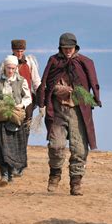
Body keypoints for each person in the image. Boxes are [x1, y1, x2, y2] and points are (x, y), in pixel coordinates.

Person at [36, 32, 101, 196]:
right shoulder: (54, 61)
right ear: (61, 48)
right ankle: (55, 174)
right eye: (65, 48)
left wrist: (93, 98)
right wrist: (60, 91)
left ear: (75, 47)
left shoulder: (84, 62)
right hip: (58, 110)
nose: (68, 51)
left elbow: (92, 82)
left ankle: (76, 183)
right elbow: (47, 84)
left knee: (79, 149)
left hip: (78, 111)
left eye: (70, 48)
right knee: (56, 145)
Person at [0, 55, 32, 187]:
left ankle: (10, 174)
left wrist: (20, 105)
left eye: (13, 68)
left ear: (15, 68)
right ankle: (4, 175)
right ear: (4, 67)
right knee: (0, 147)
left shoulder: (21, 81)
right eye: (8, 68)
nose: (10, 71)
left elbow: (28, 98)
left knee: (10, 149)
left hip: (14, 116)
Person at [0, 39, 43, 176]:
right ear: (13, 50)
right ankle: (12, 163)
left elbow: (36, 81)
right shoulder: (7, 63)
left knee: (24, 133)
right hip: (10, 103)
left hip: (27, 103)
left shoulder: (29, 62)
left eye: (21, 51)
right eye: (17, 51)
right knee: (11, 132)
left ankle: (20, 164)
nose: (19, 53)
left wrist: (41, 101)